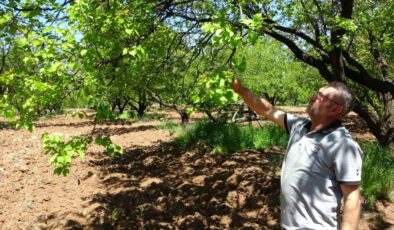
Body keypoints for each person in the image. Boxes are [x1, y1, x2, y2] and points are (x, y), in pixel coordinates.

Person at [232, 78, 363, 230]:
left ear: (335, 109)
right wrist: (240, 89)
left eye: (321, 96)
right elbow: (266, 110)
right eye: (316, 93)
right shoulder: (299, 126)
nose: (312, 97)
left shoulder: (343, 146)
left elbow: (352, 198)